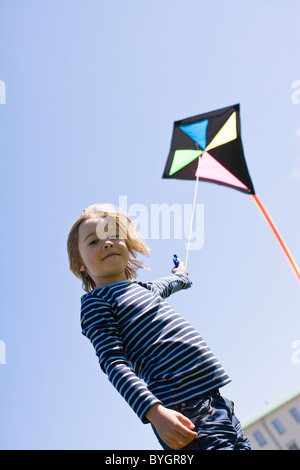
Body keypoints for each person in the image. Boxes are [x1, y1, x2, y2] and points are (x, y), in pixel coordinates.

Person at [67, 203, 251, 450]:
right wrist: (154, 412)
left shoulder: (144, 289)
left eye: (113, 236)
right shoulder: (96, 302)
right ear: (80, 264)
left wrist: (181, 276)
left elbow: (169, 283)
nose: (107, 243)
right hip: (185, 410)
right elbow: (113, 362)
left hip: (217, 401)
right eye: (93, 241)